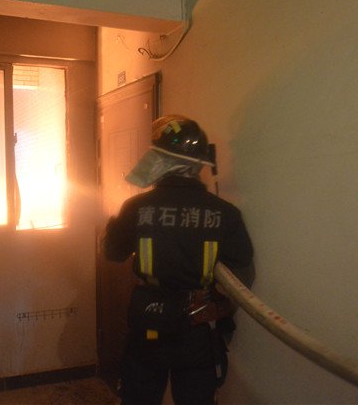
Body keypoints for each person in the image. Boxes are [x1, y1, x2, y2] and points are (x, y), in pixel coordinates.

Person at [103, 115, 254, 405]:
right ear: (199, 165)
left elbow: (113, 253)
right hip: (198, 326)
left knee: (139, 399)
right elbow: (243, 272)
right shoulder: (225, 212)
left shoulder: (136, 208)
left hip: (149, 321)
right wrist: (221, 307)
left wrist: (114, 226)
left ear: (159, 160)